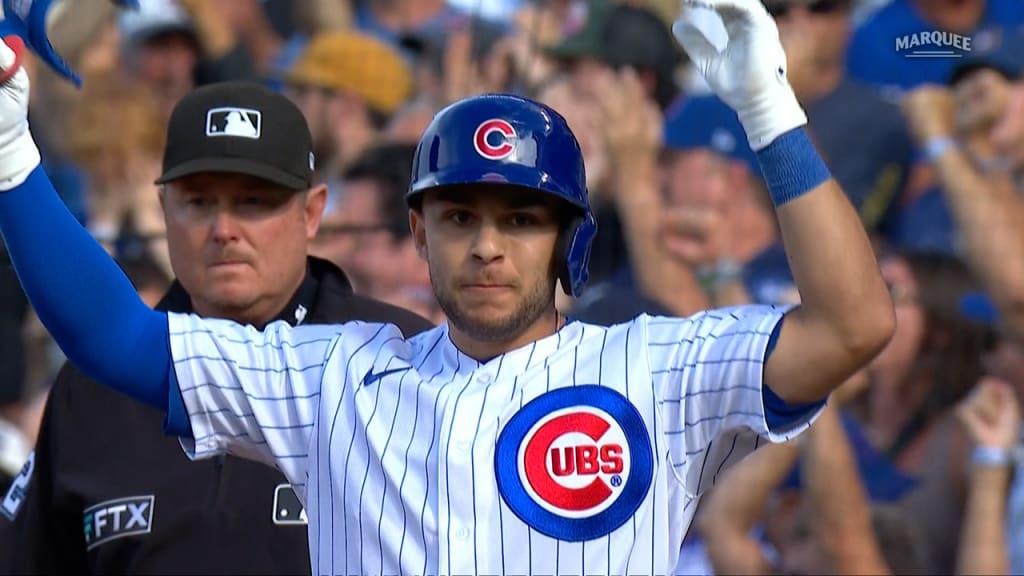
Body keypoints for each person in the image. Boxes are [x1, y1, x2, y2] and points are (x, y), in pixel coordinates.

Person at [0, 0, 895, 573]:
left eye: (520, 218)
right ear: (419, 232)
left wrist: (771, 113)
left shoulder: (656, 366)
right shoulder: (334, 374)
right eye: (461, 217)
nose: (488, 246)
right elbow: (113, 338)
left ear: (569, 240)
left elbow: (854, 326)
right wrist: (10, 152)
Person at [0, 81, 433, 574]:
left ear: (312, 213)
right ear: (163, 210)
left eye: (253, 202)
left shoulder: (397, 357)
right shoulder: (96, 380)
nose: (223, 229)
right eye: (200, 202)